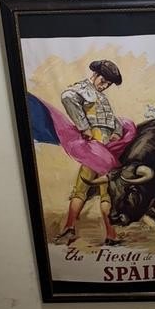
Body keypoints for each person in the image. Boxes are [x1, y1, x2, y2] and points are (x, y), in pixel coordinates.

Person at [54, 59, 123, 246]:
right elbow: (67, 96)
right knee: (98, 188)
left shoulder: (100, 96)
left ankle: (72, 227)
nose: (105, 85)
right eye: (104, 81)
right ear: (95, 74)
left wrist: (117, 132)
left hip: (106, 145)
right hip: (95, 143)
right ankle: (108, 234)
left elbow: (111, 119)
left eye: (108, 84)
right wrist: (84, 127)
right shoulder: (83, 89)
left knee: (92, 187)